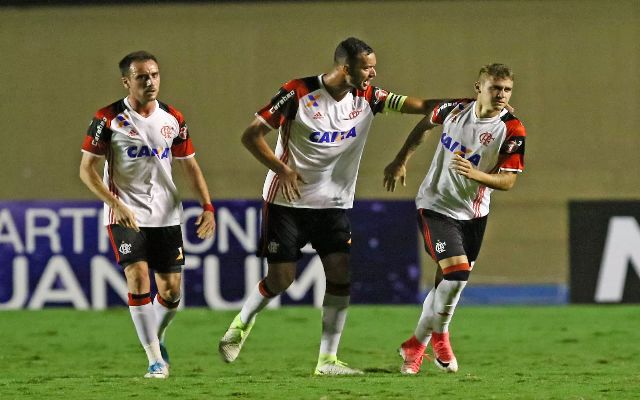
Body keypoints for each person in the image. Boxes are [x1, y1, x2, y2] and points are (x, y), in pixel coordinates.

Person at [217, 37, 441, 375]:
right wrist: (282, 169)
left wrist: (469, 105)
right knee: (281, 279)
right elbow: (251, 136)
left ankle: (327, 361)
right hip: (286, 201)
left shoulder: (369, 96)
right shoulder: (297, 93)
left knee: (341, 276)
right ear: (344, 68)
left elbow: (422, 104)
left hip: (333, 204)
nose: (373, 72)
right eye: (366, 67)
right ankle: (240, 325)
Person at [79, 51, 216, 379]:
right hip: (126, 215)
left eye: (154, 75)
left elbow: (190, 165)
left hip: (167, 215)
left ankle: (158, 335)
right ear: (127, 81)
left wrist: (208, 206)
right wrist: (115, 204)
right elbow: (87, 171)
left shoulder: (173, 118)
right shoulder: (108, 118)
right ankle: (156, 360)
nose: (150, 81)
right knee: (138, 277)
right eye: (142, 77)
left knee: (171, 292)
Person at [383, 63, 526, 375]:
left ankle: (414, 345)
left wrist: (475, 174)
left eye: (506, 90)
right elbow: (422, 126)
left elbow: (509, 181)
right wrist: (400, 160)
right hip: (435, 204)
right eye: (495, 88)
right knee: (457, 273)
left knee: (447, 287)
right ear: (479, 88)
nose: (501, 95)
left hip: (473, 213)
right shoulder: (454, 111)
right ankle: (441, 335)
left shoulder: (512, 129)